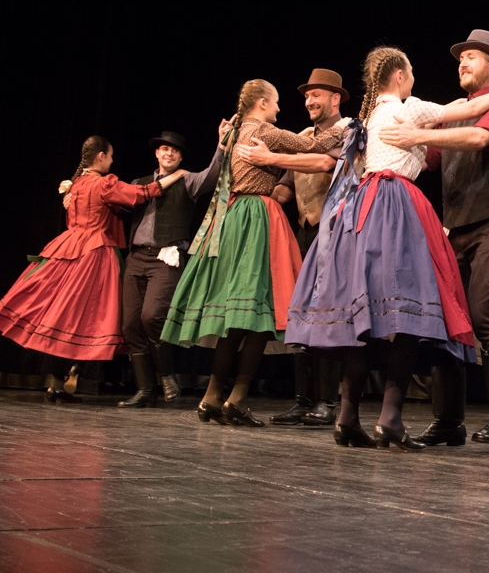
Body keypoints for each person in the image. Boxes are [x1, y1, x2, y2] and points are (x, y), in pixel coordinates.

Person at [284, 46, 489, 450]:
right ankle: (390, 418)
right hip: (394, 205)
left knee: (366, 317)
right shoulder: (406, 108)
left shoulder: (368, 116)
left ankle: (347, 417)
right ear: (398, 75)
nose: (413, 79)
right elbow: (460, 110)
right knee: (409, 310)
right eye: (410, 73)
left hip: (360, 209)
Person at [159, 79, 348, 427]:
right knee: (260, 312)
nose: (279, 108)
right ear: (262, 102)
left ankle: (212, 396)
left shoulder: (233, 133)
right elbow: (313, 144)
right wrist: (347, 127)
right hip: (256, 218)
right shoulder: (265, 131)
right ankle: (236, 398)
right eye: (275, 102)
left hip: (231, 217)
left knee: (237, 315)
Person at [378, 29, 489, 445]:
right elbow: (426, 158)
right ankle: (449, 421)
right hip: (456, 228)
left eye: (472, 57)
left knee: (483, 314)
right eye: (460, 58)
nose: (462, 63)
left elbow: (480, 138)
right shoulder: (454, 111)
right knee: (446, 320)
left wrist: (418, 134)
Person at [0, 136, 187, 401]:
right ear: (101, 156)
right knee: (89, 316)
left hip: (67, 248)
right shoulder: (103, 183)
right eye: (110, 156)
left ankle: (57, 381)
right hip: (94, 252)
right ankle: (70, 375)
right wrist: (177, 175)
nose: (112, 161)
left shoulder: (75, 184)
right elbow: (141, 194)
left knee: (62, 315)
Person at [239, 68, 351, 428]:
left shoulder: (347, 129)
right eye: (306, 96)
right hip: (303, 231)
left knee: (327, 312)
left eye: (316, 95)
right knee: (300, 312)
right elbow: (286, 187)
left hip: (334, 230)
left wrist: (269, 158)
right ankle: (304, 400)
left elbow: (324, 162)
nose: (309, 101)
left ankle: (327, 401)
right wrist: (253, 204)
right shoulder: (302, 137)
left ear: (335, 98)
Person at [119, 129, 225, 408]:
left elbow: (212, 175)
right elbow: (114, 200)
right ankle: (145, 389)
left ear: (180, 158)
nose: (169, 153)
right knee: (131, 324)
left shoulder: (187, 181)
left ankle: (166, 375)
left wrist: (221, 145)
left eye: (174, 150)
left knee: (152, 316)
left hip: (165, 257)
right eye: (165, 149)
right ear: (157, 153)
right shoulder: (139, 183)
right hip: (136, 257)